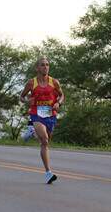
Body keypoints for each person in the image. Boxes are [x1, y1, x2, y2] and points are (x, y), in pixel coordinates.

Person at [20, 56, 65, 184]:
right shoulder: (31, 83)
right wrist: (27, 101)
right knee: (44, 139)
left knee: (46, 142)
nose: (45, 67)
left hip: (50, 114)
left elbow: (62, 95)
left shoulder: (54, 82)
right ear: (37, 68)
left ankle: (33, 132)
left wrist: (59, 103)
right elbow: (21, 97)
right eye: (42, 65)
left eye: (47, 64)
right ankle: (48, 172)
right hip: (36, 113)